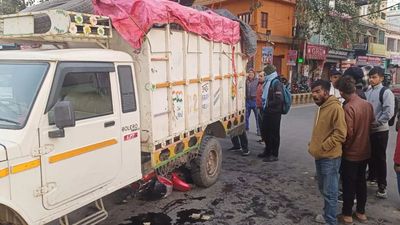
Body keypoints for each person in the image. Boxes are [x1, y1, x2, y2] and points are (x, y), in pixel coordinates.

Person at [335, 76, 375, 224]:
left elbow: (348, 133)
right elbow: (372, 126)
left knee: (348, 184)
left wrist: (344, 147)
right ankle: (361, 212)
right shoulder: (367, 104)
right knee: (361, 182)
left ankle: (346, 215)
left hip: (351, 153)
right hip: (365, 151)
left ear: (341, 92)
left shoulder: (348, 107)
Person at [309, 79, 347, 225]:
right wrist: (313, 145)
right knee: (323, 188)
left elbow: (340, 134)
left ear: (326, 91)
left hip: (330, 157)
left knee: (330, 192)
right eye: (313, 92)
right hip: (319, 155)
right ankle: (327, 215)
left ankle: (331, 221)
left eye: (318, 91)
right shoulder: (320, 107)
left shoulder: (335, 108)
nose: (315, 95)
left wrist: (324, 146)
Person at [365, 66, 395, 198]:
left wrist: (375, 123)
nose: (371, 80)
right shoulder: (368, 92)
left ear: (381, 78)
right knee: (369, 156)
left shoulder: (386, 92)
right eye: (370, 77)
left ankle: (382, 186)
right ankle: (372, 177)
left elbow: (388, 112)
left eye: (374, 77)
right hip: (369, 131)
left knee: (380, 158)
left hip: (380, 131)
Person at [257, 65, 284, 162]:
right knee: (265, 132)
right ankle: (267, 151)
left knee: (274, 134)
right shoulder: (268, 81)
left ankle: (274, 154)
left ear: (269, 72)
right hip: (267, 111)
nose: (264, 74)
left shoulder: (276, 82)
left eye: (265, 72)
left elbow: (279, 99)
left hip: (274, 112)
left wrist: (268, 104)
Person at [245, 69, 259, 134]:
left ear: (254, 74)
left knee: (257, 117)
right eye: (249, 74)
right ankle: (246, 128)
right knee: (246, 116)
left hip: (255, 101)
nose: (250, 75)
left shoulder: (257, 81)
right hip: (248, 101)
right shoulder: (246, 81)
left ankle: (258, 130)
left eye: (252, 74)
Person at [256, 72, 265, 144]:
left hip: (263, 107)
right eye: (259, 76)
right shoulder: (259, 84)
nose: (259, 78)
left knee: (263, 124)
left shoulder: (265, 85)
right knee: (260, 123)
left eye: (261, 76)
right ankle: (263, 138)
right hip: (258, 106)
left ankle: (265, 140)